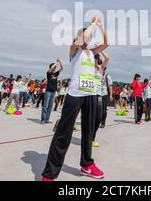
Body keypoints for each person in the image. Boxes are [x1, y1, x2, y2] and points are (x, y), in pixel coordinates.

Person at [42, 16, 109, 181]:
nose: (89, 36)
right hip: (75, 95)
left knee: (88, 132)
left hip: (91, 94)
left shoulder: (92, 52)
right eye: (86, 34)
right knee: (63, 133)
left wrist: (100, 26)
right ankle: (50, 173)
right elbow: (84, 37)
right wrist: (93, 23)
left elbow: (107, 43)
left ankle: (86, 164)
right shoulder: (75, 50)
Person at [92, 51, 111, 147]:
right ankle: (88, 138)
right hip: (89, 95)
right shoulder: (88, 68)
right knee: (89, 117)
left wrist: (101, 50)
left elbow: (107, 58)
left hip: (98, 95)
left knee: (98, 118)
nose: (96, 59)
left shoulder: (100, 69)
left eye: (97, 57)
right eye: (95, 57)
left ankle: (92, 138)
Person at [41, 58, 63, 124]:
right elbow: (51, 68)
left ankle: (47, 119)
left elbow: (62, 68)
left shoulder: (56, 74)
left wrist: (59, 61)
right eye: (54, 67)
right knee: (45, 106)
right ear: (51, 67)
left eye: (55, 67)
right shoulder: (49, 73)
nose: (55, 67)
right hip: (48, 91)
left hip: (53, 92)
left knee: (50, 106)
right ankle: (43, 119)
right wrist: (55, 63)